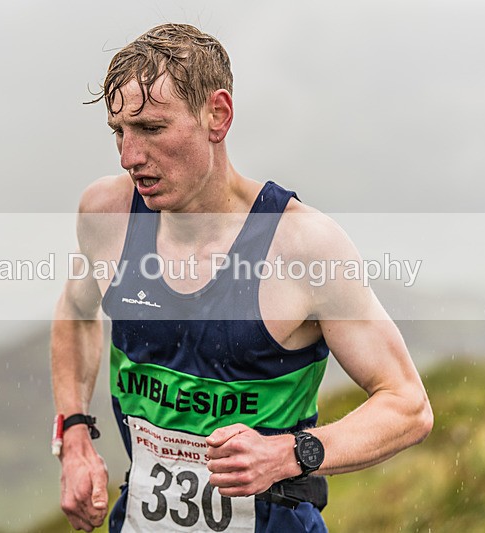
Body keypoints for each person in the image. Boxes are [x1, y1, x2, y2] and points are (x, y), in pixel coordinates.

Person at [50, 23, 433, 533]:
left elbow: (407, 405)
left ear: (218, 115)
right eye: (119, 131)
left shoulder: (302, 244)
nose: (129, 157)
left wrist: (288, 453)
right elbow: (75, 311)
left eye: (152, 128)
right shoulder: (108, 215)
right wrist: (74, 435)